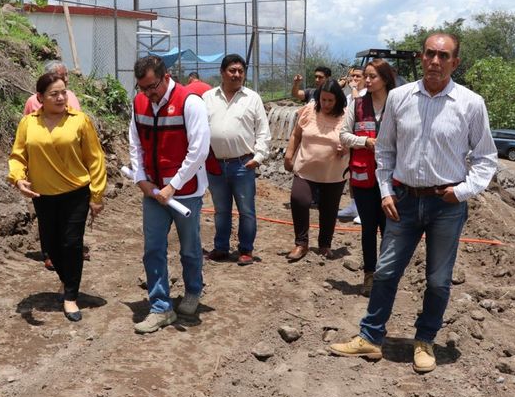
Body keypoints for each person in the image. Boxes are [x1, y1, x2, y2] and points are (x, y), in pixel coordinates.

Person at [329, 33, 498, 373]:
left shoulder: (470, 104)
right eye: (431, 54)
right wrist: (386, 191)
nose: (436, 61)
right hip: (403, 200)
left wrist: (462, 191)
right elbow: (386, 148)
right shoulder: (400, 98)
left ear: (455, 62)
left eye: (444, 55)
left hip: (446, 204)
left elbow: (486, 158)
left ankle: (425, 340)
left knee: (438, 279)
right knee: (387, 271)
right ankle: (370, 337)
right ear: (422, 58)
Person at [8, 72, 106, 322]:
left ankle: (71, 297)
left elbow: (95, 159)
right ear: (40, 97)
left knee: (71, 244)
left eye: (64, 92)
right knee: (50, 246)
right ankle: (67, 279)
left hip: (76, 193)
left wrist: (96, 194)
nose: (61, 97)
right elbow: (18, 156)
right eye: (54, 93)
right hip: (42, 194)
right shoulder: (28, 123)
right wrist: (18, 178)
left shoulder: (80, 121)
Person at [128, 55, 210, 334]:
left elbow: (198, 150)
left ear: (166, 76)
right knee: (153, 249)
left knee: (189, 246)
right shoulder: (139, 103)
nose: (149, 94)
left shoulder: (190, 102)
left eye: (153, 87)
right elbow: (135, 143)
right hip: (153, 191)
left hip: (184, 192)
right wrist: (141, 180)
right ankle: (161, 306)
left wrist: (172, 185)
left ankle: (193, 291)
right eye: (143, 88)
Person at [203, 54, 271, 266]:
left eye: (240, 71)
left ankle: (246, 250)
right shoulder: (207, 98)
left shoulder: (252, 98)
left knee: (246, 210)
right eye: (232, 70)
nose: (237, 74)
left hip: (243, 164)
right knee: (221, 210)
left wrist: (258, 157)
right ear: (222, 72)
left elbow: (263, 131)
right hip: (215, 165)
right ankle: (221, 248)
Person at [22, 60, 90, 269]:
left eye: (66, 76)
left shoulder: (73, 100)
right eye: (62, 75)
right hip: (44, 173)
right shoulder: (32, 105)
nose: (66, 79)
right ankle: (50, 253)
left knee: (71, 218)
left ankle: (70, 251)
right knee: (48, 218)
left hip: (70, 170)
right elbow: (26, 139)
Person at [339, 60, 396, 295]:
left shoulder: (397, 104)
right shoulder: (358, 104)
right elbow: (343, 134)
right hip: (364, 179)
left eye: (373, 77)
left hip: (392, 179)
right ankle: (370, 275)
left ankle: (386, 275)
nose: (368, 81)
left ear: (385, 78)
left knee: (390, 230)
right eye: (366, 77)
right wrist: (364, 142)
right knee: (368, 228)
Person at [283, 79, 349, 262]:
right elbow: (296, 134)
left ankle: (325, 245)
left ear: (338, 100)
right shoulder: (309, 110)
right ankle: (301, 243)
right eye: (323, 99)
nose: (326, 104)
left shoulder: (346, 116)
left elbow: (353, 140)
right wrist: (289, 155)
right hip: (306, 168)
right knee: (299, 200)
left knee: (329, 209)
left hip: (333, 173)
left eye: (330, 101)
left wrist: (346, 149)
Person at [337, 67, 367, 222]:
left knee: (362, 173)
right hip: (349, 138)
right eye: (352, 76)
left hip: (363, 140)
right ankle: (354, 205)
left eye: (358, 76)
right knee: (351, 173)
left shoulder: (365, 95)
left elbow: (360, 107)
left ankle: (365, 208)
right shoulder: (349, 95)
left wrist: (354, 89)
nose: (354, 79)